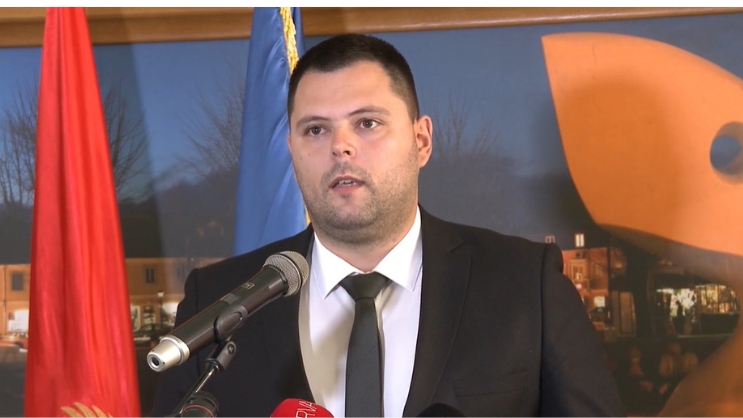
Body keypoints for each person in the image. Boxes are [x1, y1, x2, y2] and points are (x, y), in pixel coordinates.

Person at [151, 34, 625, 417]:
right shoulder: (216, 300)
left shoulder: (527, 285)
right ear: (292, 153)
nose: (340, 147)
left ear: (421, 141)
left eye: (367, 123)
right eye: (315, 129)